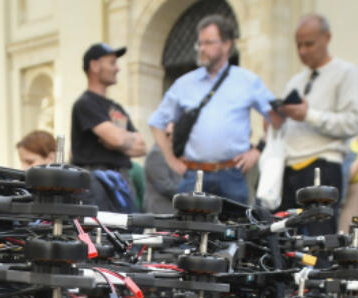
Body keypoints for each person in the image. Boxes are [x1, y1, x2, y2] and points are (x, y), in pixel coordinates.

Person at [148, 14, 275, 202]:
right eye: (199, 43)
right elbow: (156, 123)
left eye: (208, 43)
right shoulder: (185, 84)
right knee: (187, 230)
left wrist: (258, 150)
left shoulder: (247, 81)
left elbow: (276, 116)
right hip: (194, 176)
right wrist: (171, 161)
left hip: (232, 175)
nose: (201, 49)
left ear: (226, 45)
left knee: (234, 229)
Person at [271, 14, 358, 235]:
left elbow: (351, 123)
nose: (302, 51)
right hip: (288, 170)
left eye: (309, 44)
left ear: (327, 37)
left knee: (317, 244)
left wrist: (308, 115)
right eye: (299, 45)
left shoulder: (346, 73)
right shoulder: (295, 81)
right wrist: (276, 121)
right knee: (283, 245)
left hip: (322, 169)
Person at [70, 43, 145, 213]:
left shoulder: (116, 107)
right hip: (96, 181)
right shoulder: (85, 103)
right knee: (101, 234)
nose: (117, 68)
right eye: (112, 63)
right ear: (94, 66)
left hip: (123, 179)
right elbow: (117, 139)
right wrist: (122, 140)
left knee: (127, 234)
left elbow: (142, 147)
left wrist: (119, 140)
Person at [144, 123, 181, 213]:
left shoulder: (171, 153)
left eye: (174, 134)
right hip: (161, 212)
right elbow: (165, 187)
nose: (171, 137)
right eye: (167, 134)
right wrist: (189, 194)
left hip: (171, 212)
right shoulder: (156, 154)